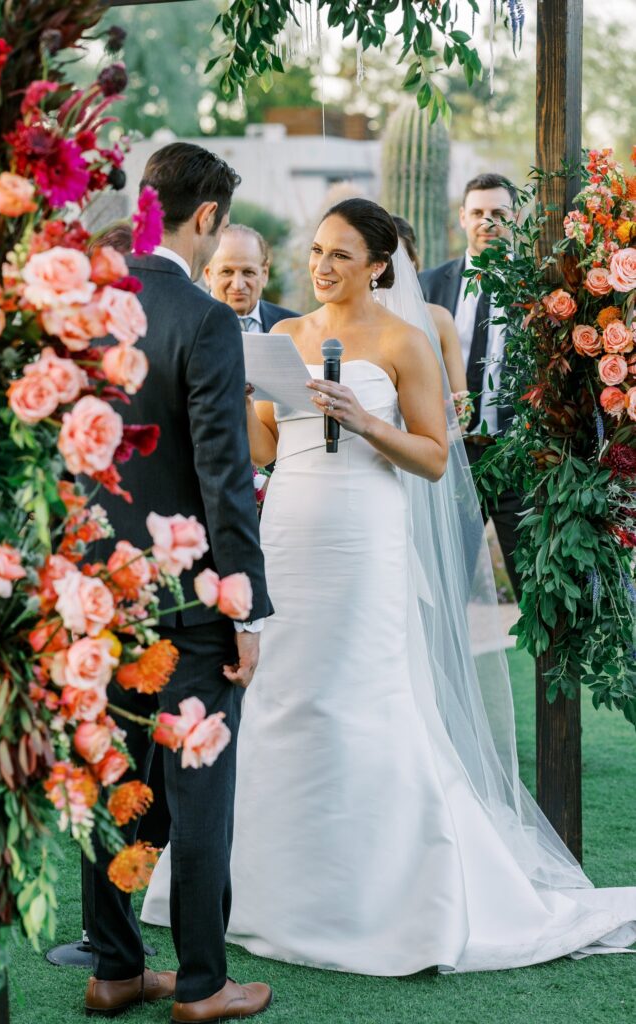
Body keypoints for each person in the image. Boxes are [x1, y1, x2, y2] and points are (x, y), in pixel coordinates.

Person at [141, 198, 636, 974]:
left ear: (379, 262)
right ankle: (265, 894)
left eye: (340, 254)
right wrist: (238, 406)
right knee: (279, 698)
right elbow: (268, 446)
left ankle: (386, 895)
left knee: (363, 694)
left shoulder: (406, 340)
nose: (322, 266)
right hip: (291, 531)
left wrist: (366, 422)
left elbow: (436, 457)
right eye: (315, 252)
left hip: (364, 534)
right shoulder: (282, 336)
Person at [81, 142, 274, 1023]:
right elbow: (224, 477)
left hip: (94, 588)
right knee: (198, 789)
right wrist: (243, 605)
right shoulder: (203, 319)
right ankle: (202, 985)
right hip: (188, 595)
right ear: (206, 219)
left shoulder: (89, 305)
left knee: (113, 775)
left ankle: (115, 968)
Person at [418, 173, 523, 600]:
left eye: (499, 213)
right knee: (443, 594)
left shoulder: (538, 284)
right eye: (478, 212)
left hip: (517, 460)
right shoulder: (429, 286)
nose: (487, 222)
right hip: (451, 460)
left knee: (537, 595)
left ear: (516, 218)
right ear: (462, 217)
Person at [392, 215, 468, 398]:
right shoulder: (352, 319)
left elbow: (461, 399)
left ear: (412, 260)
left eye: (395, 257)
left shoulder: (440, 319)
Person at [204, 224, 298, 332]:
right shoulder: (185, 326)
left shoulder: (294, 328)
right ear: (208, 275)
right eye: (227, 272)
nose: (238, 285)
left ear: (264, 274)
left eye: (248, 272)